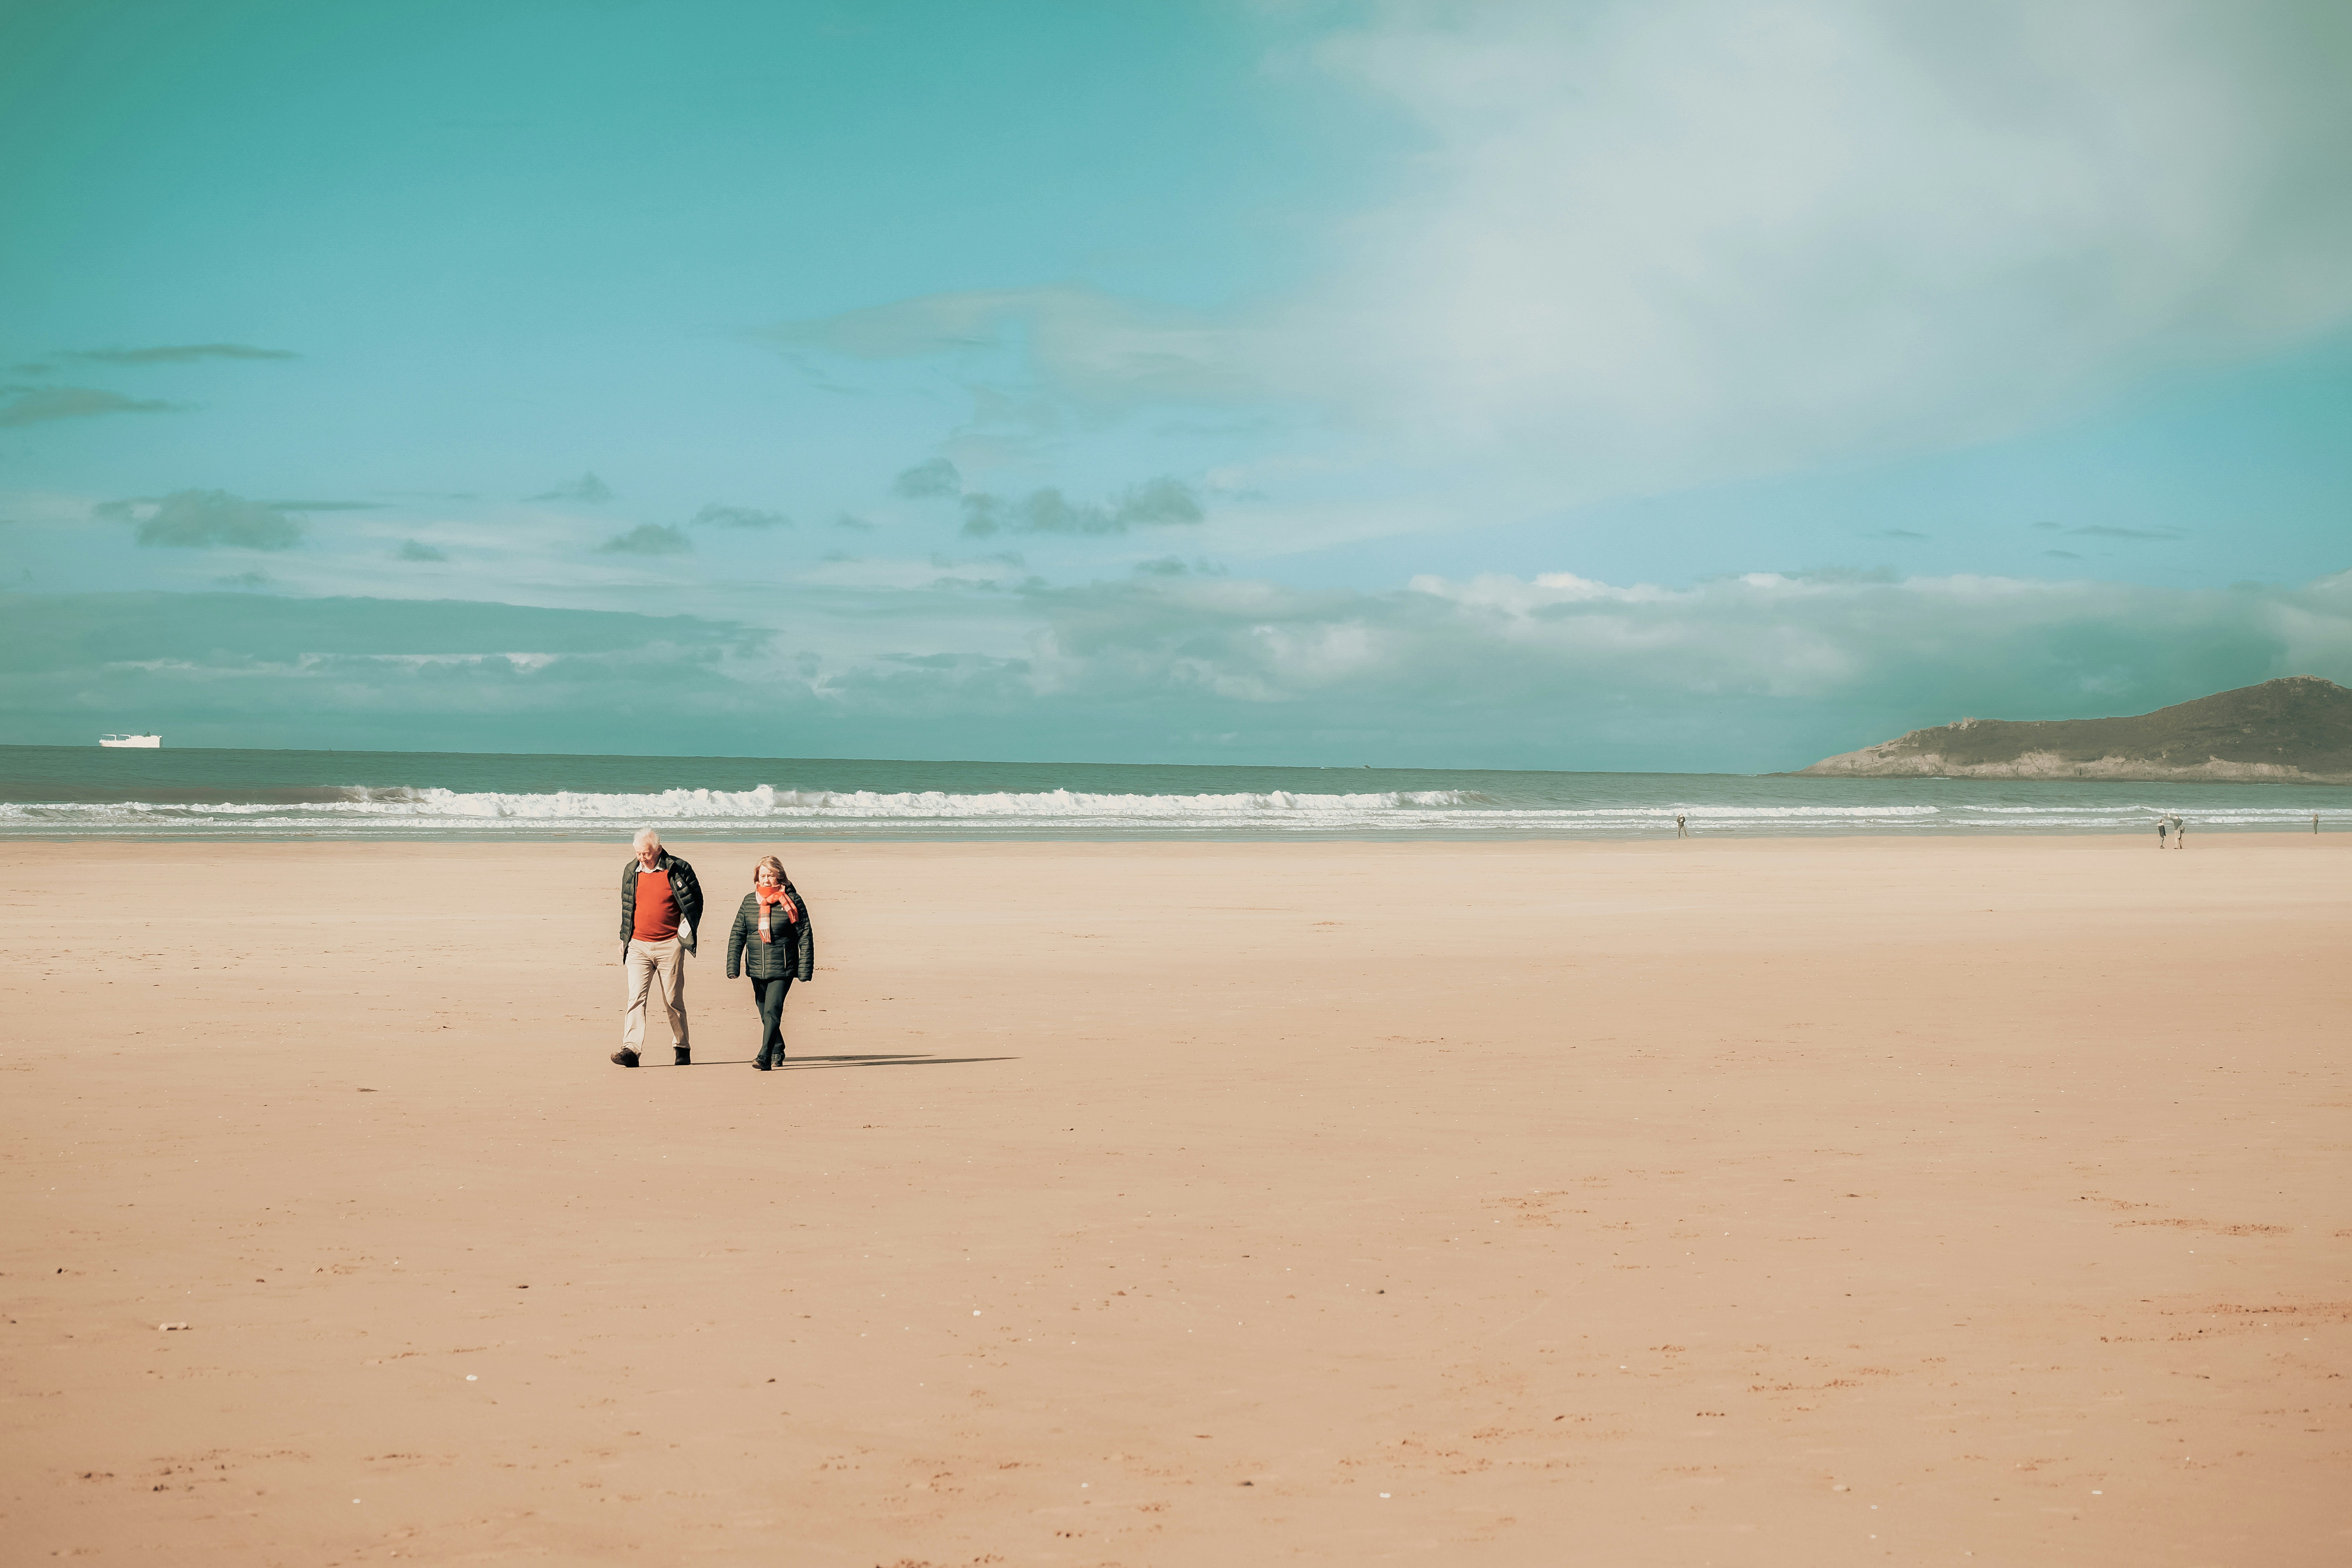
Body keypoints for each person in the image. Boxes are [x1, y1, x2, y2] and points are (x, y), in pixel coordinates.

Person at [614, 828, 703, 1069]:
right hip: (638, 946)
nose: (642, 858)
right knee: (636, 998)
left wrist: (684, 934)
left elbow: (696, 902)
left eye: (646, 853)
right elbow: (627, 905)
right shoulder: (631, 871)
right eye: (638, 853)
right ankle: (631, 1050)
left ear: (659, 850)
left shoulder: (678, 869)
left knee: (673, 999)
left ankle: (682, 1047)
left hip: (669, 946)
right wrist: (628, 938)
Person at [725, 855, 816, 1070]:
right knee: (765, 1012)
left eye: (771, 876)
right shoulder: (749, 901)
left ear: (780, 877)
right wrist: (733, 965)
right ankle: (778, 1047)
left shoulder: (793, 901)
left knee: (772, 1011)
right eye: (763, 875)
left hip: (783, 967)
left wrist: (805, 968)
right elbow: (738, 933)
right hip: (756, 967)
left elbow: (805, 934)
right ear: (757, 877)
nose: (766, 880)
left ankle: (764, 1056)